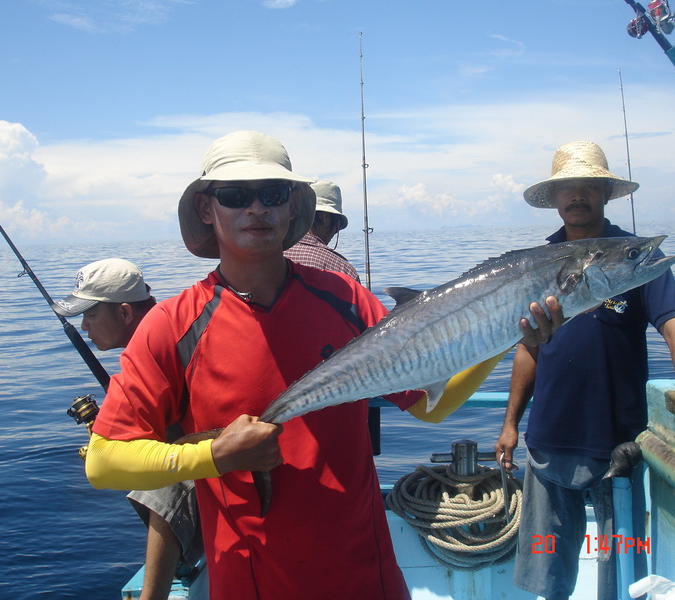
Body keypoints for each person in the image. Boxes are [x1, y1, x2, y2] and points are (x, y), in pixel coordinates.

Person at [84, 130, 563, 599]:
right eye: (235, 195)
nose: (256, 208)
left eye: (272, 193)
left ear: (292, 205)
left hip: (366, 576)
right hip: (249, 583)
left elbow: (427, 406)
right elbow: (105, 463)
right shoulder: (172, 325)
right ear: (207, 209)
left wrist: (503, 335)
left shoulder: (346, 298)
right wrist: (212, 457)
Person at [494, 140, 675, 600]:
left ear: (606, 193)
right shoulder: (533, 265)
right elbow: (528, 350)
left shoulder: (635, 260)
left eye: (588, 186)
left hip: (620, 454)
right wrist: (510, 423)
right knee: (548, 582)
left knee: (622, 582)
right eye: (567, 188)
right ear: (554, 199)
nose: (577, 196)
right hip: (548, 449)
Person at [52, 259, 198, 600]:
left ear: (126, 313)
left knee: (159, 483)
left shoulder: (157, 348)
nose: (85, 326)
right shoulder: (172, 328)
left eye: (90, 315)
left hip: (231, 463)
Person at [284, 179, 360, 281]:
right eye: (338, 225)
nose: (336, 231)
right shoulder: (343, 270)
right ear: (325, 217)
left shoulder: (272, 255)